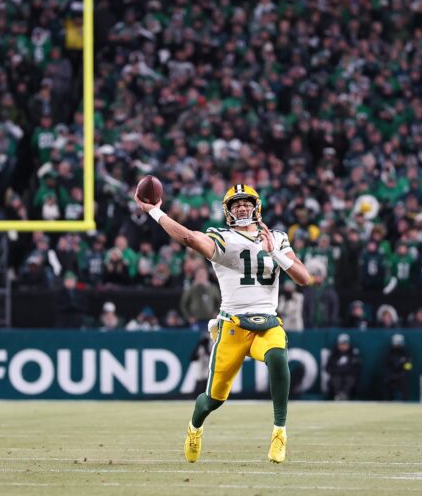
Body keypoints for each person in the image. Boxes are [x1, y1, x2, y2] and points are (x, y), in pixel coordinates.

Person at [137, 182, 310, 464]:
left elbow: (304, 278)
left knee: (279, 356)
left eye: (246, 203)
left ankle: (280, 432)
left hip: (267, 321)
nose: (241, 207)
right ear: (227, 210)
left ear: (256, 207)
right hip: (233, 326)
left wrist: (274, 253)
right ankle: (195, 427)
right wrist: (155, 212)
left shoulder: (277, 238)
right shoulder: (222, 237)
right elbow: (189, 238)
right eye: (235, 204)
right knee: (213, 399)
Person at [325, 333, 362, 401]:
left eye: (345, 344)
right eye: (341, 344)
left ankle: (344, 395)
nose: (343, 346)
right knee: (336, 378)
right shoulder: (334, 354)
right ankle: (337, 395)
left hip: (349, 375)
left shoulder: (353, 353)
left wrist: (342, 370)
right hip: (336, 375)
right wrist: (341, 370)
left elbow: (356, 369)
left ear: (348, 344)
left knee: (350, 378)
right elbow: (328, 368)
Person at [384, 334, 413, 401]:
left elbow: (408, 366)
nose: (397, 345)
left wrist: (402, 374)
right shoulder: (389, 354)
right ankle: (388, 401)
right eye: (396, 343)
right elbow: (386, 366)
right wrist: (391, 375)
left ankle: (405, 401)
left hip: (402, 375)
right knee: (386, 383)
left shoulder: (405, 354)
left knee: (404, 384)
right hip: (390, 375)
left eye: (399, 343)